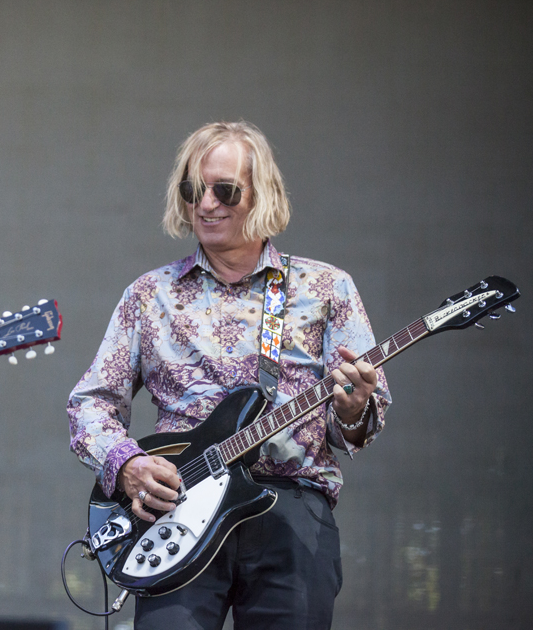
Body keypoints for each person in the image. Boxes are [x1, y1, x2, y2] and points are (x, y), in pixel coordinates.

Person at [67, 121, 391, 629]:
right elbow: (90, 403)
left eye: (225, 190)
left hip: (291, 511)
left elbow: (359, 422)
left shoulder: (327, 288)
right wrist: (127, 464)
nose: (206, 203)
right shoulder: (150, 295)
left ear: (262, 194)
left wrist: (353, 410)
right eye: (193, 190)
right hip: (179, 514)